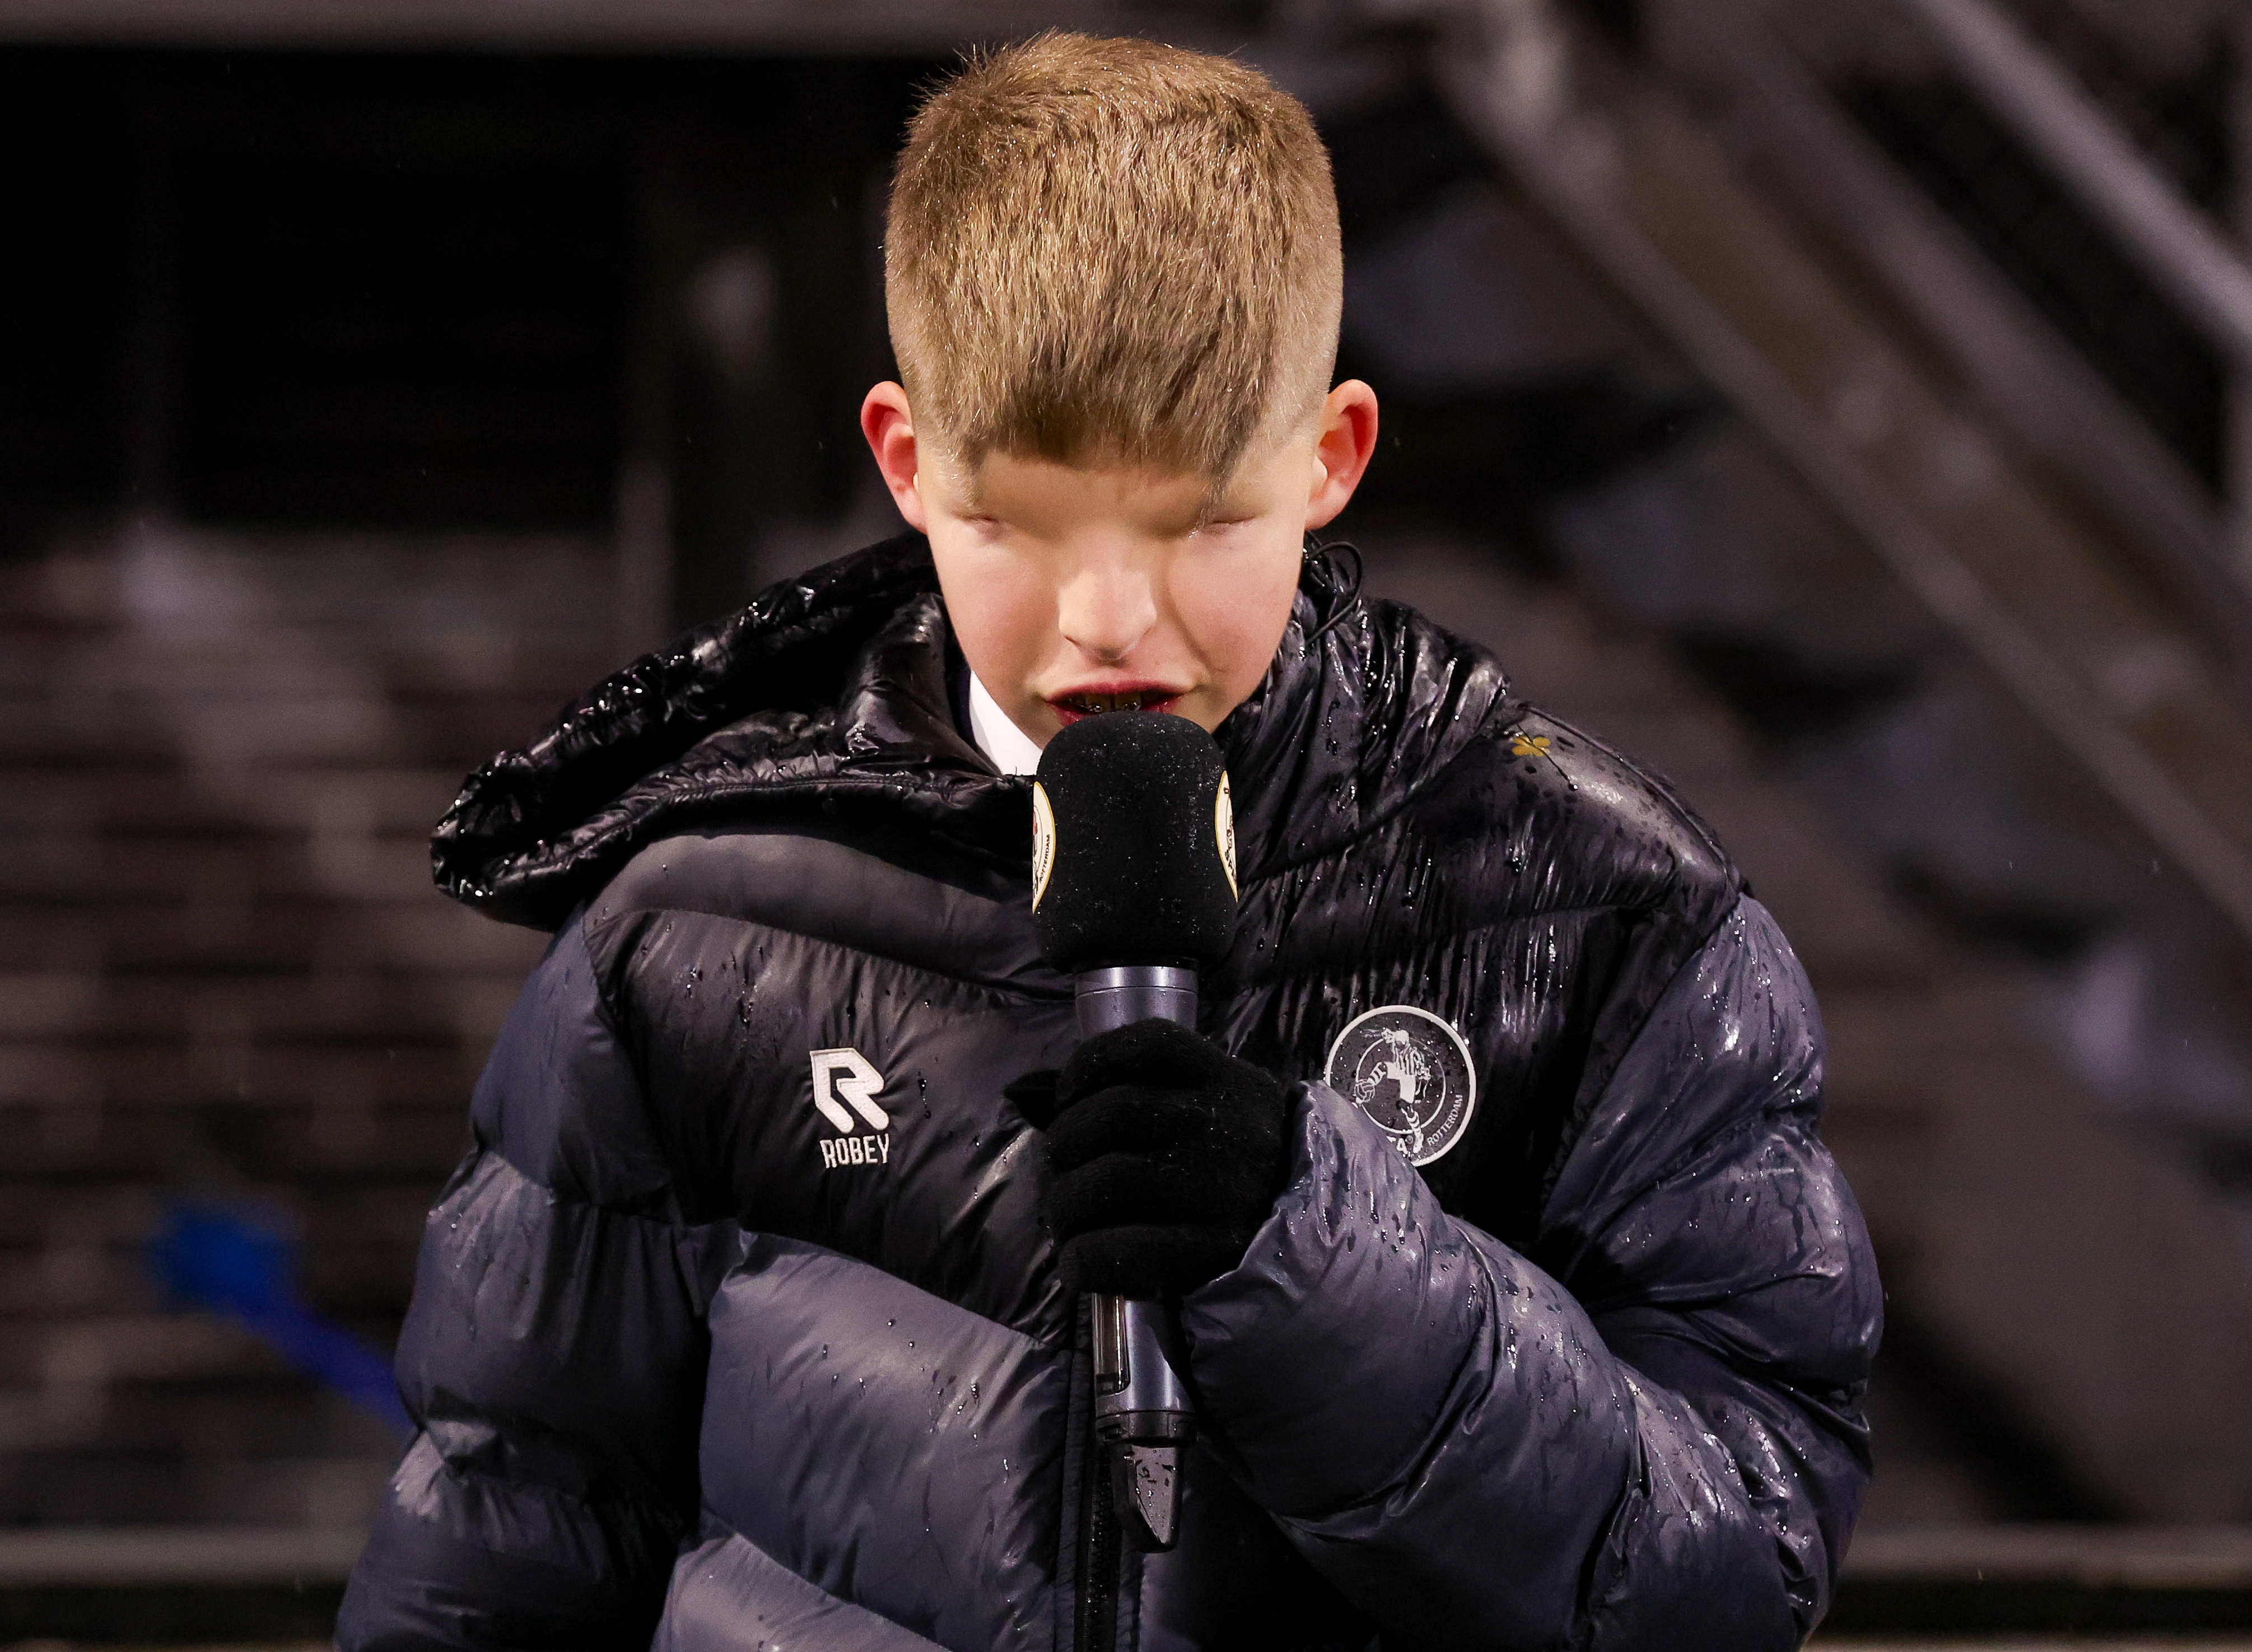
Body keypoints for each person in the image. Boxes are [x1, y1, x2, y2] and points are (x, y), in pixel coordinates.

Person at [338, 31, 1878, 1652]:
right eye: (1014, 522)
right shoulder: (694, 928)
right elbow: (510, 1526)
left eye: (1201, 520)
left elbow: (1735, 1573)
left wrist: (1321, 1261)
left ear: (1332, 457)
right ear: (907, 464)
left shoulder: (1611, 921)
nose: (1110, 620)